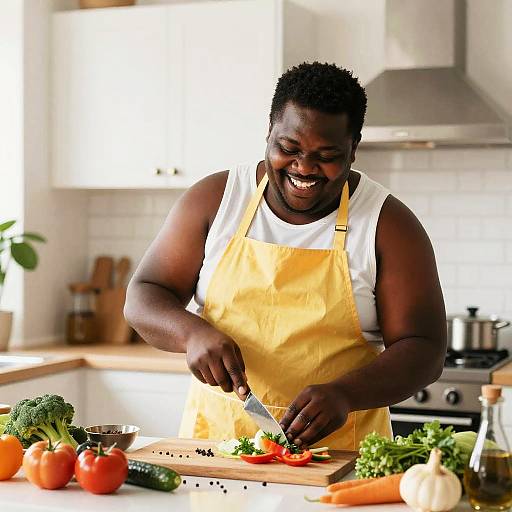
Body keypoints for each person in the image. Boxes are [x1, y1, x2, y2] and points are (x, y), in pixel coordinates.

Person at [124, 62, 446, 450]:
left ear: (353, 149)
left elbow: (424, 347)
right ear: (269, 133)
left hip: (339, 454)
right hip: (218, 448)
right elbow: (144, 293)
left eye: (326, 155)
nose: (304, 168)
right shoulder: (214, 200)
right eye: (288, 148)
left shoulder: (389, 225)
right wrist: (191, 333)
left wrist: (345, 394)